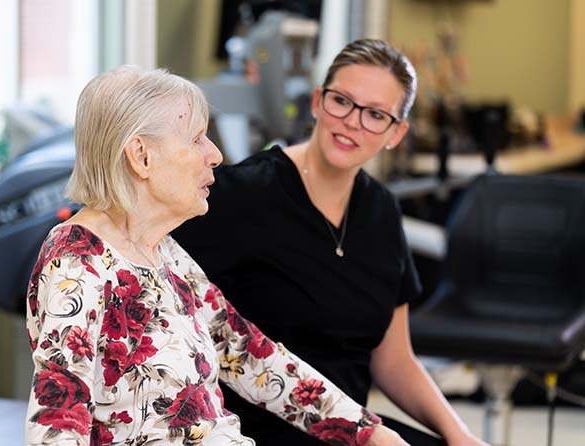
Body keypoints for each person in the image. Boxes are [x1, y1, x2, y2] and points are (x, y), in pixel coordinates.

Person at [24, 66, 410, 446]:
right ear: (141, 156)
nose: (215, 154)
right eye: (196, 139)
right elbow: (56, 425)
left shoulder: (163, 252)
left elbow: (248, 355)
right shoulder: (77, 259)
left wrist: (368, 431)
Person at [173, 39, 489, 446]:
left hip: (353, 428)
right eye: (343, 101)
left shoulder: (381, 211)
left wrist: (460, 435)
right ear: (319, 101)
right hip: (256, 429)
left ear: (397, 132)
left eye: (376, 114)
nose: (354, 122)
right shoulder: (244, 194)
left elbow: (393, 361)